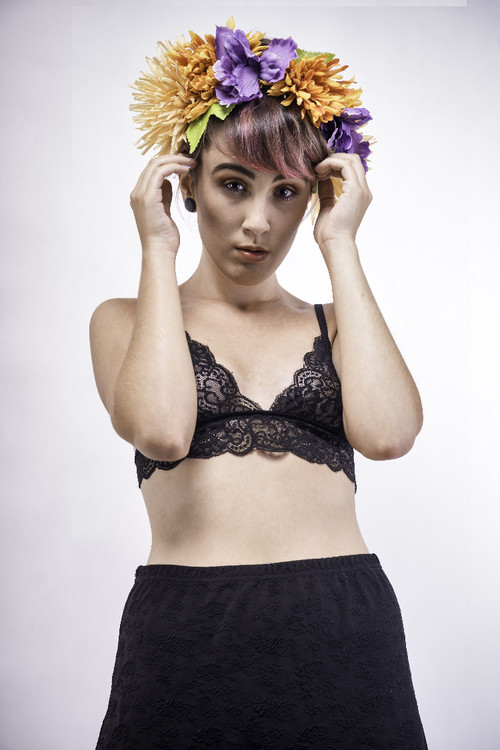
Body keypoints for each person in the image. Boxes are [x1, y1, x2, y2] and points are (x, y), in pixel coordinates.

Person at [90, 19, 428, 749]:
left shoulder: (338, 322)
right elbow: (162, 432)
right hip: (190, 627)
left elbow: (390, 435)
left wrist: (340, 242)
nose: (258, 222)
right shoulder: (124, 320)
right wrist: (156, 248)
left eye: (286, 193)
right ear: (186, 183)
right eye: (233, 184)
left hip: (344, 626)